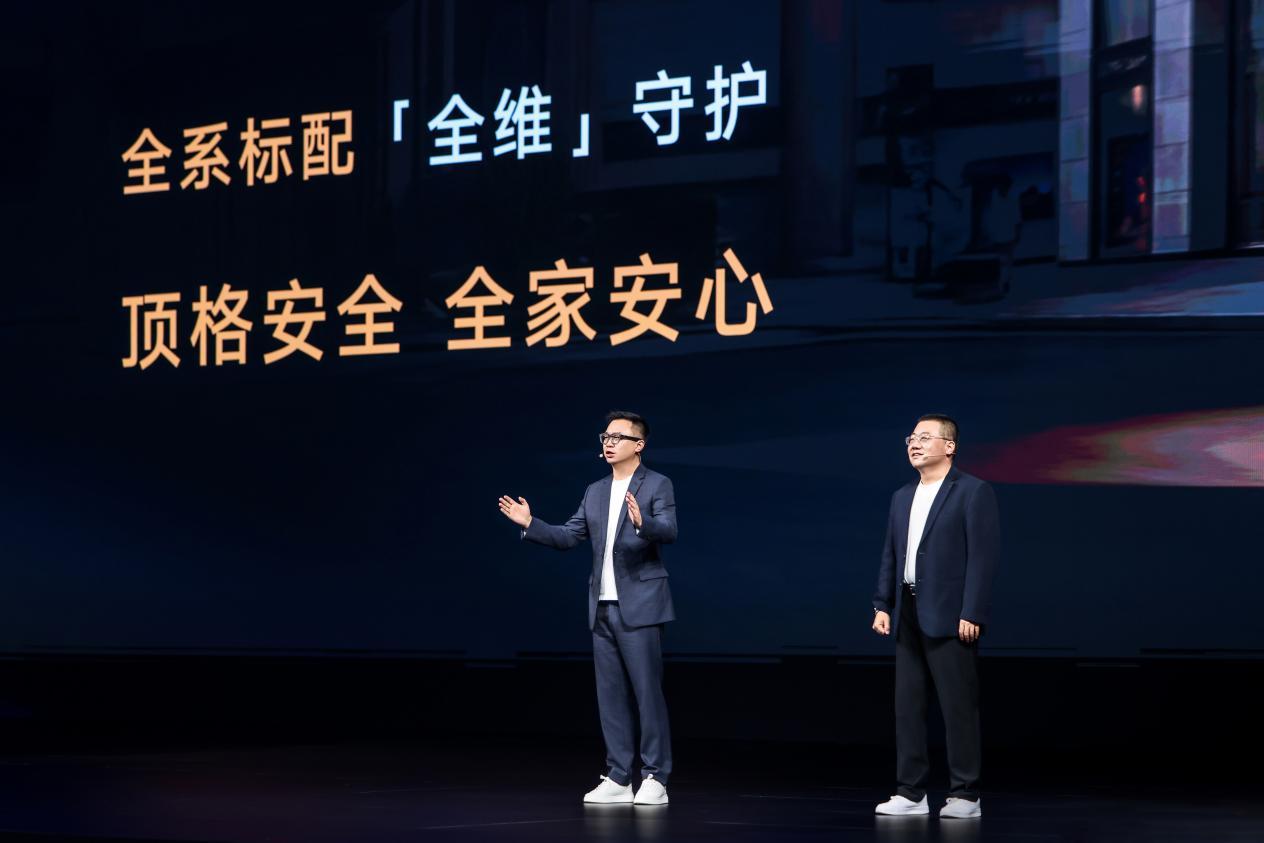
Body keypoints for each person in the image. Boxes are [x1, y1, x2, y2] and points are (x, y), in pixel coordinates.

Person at [498, 410, 676, 806]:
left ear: (639, 445)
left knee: (647, 694)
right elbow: (568, 536)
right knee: (609, 696)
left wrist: (643, 522)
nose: (609, 443)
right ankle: (618, 776)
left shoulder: (657, 484)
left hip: (641, 606)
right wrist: (530, 523)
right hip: (602, 607)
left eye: (618, 437)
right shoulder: (595, 491)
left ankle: (655, 776)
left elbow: (669, 530)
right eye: (605, 436)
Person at [871, 414, 1000, 819]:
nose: (915, 443)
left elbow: (982, 557)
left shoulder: (973, 491)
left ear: (950, 446)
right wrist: (882, 603)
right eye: (911, 437)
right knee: (907, 706)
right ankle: (910, 792)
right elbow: (891, 553)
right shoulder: (901, 496)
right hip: (908, 609)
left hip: (951, 612)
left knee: (957, 705)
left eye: (925, 437)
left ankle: (966, 795)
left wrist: (972, 610)